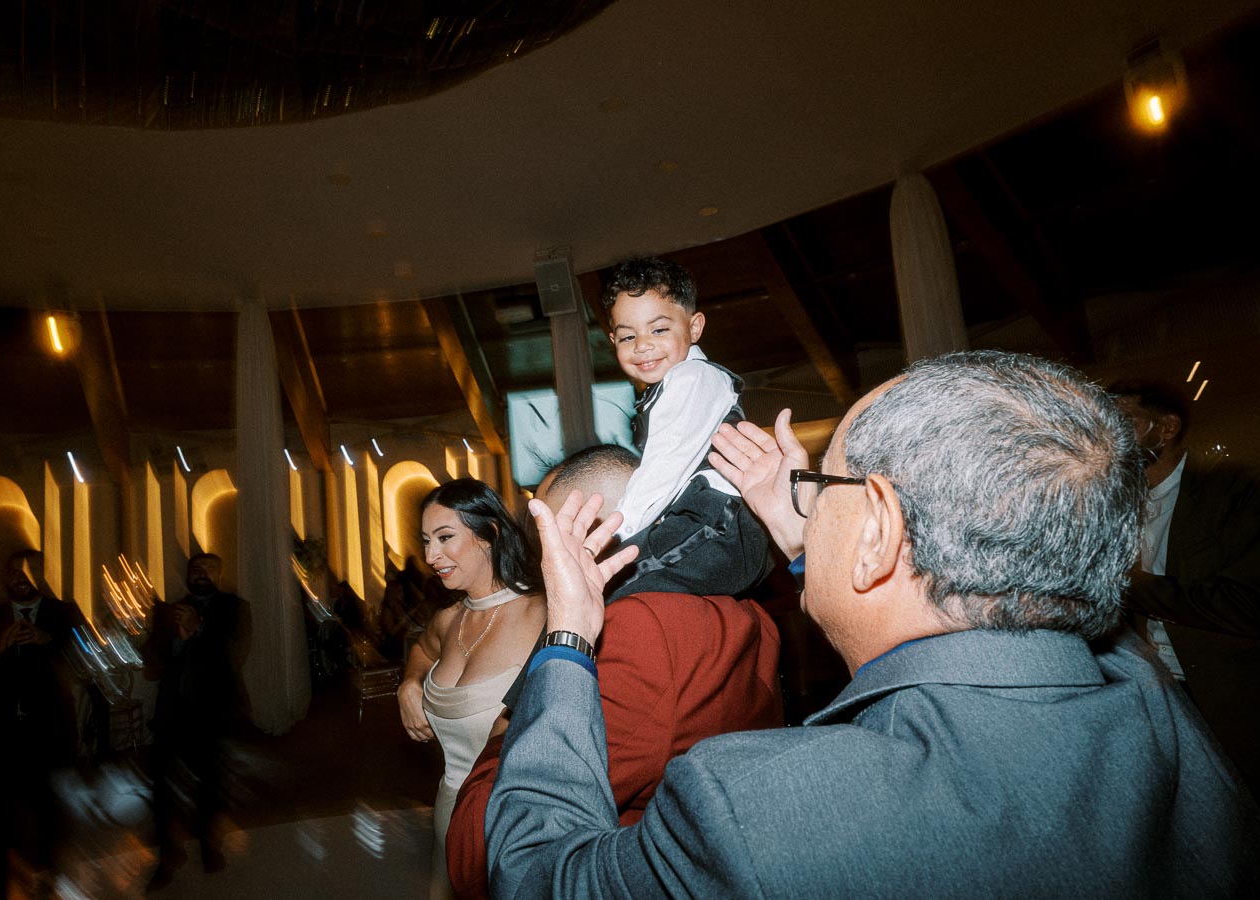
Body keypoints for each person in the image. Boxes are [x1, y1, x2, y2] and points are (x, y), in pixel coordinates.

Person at [486, 351, 1259, 897]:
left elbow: (535, 873)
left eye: (822, 481)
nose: (806, 500)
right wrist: (812, 543)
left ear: (881, 528)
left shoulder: (755, 810)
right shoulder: (1147, 702)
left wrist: (568, 640)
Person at [445, 445, 782, 899]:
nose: (545, 566)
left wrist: (511, 721)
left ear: (600, 537)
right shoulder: (734, 599)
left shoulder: (637, 628)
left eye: (554, 541)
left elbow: (487, 853)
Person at [397, 478, 546, 900]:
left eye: (445, 538)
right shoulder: (447, 620)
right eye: (426, 541)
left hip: (515, 817)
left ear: (490, 535)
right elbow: (422, 654)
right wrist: (408, 685)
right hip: (449, 808)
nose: (430, 556)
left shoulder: (544, 610)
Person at [1112, 380, 1260, 794]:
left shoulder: (1233, 492)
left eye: (1126, 420)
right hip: (1151, 693)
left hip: (1227, 698)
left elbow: (1245, 604)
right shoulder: (1116, 502)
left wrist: (1130, 585)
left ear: (1168, 427)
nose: (1113, 434)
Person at [601, 256, 769, 599]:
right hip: (707, 527)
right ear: (612, 340)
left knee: (602, 589)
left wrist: (614, 535)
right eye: (627, 336)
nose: (642, 345)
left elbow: (666, 466)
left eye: (659, 329)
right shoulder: (669, 386)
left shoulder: (693, 377)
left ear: (694, 327)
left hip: (716, 526)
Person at [0, 549, 84, 899]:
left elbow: (88, 657)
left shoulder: (64, 613)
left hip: (47, 731)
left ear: (41, 573)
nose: (19, 577)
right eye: (12, 572)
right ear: (4, 577)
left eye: (28, 571)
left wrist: (49, 641)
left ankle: (46, 872)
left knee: (47, 807)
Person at [144, 552, 250, 889]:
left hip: (214, 709)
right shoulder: (167, 609)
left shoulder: (235, 608)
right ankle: (167, 854)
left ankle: (208, 842)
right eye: (195, 569)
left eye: (208, 569)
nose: (200, 574)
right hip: (171, 712)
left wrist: (198, 629)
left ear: (218, 574)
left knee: (212, 783)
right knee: (161, 785)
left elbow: (233, 655)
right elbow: (152, 663)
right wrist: (176, 638)